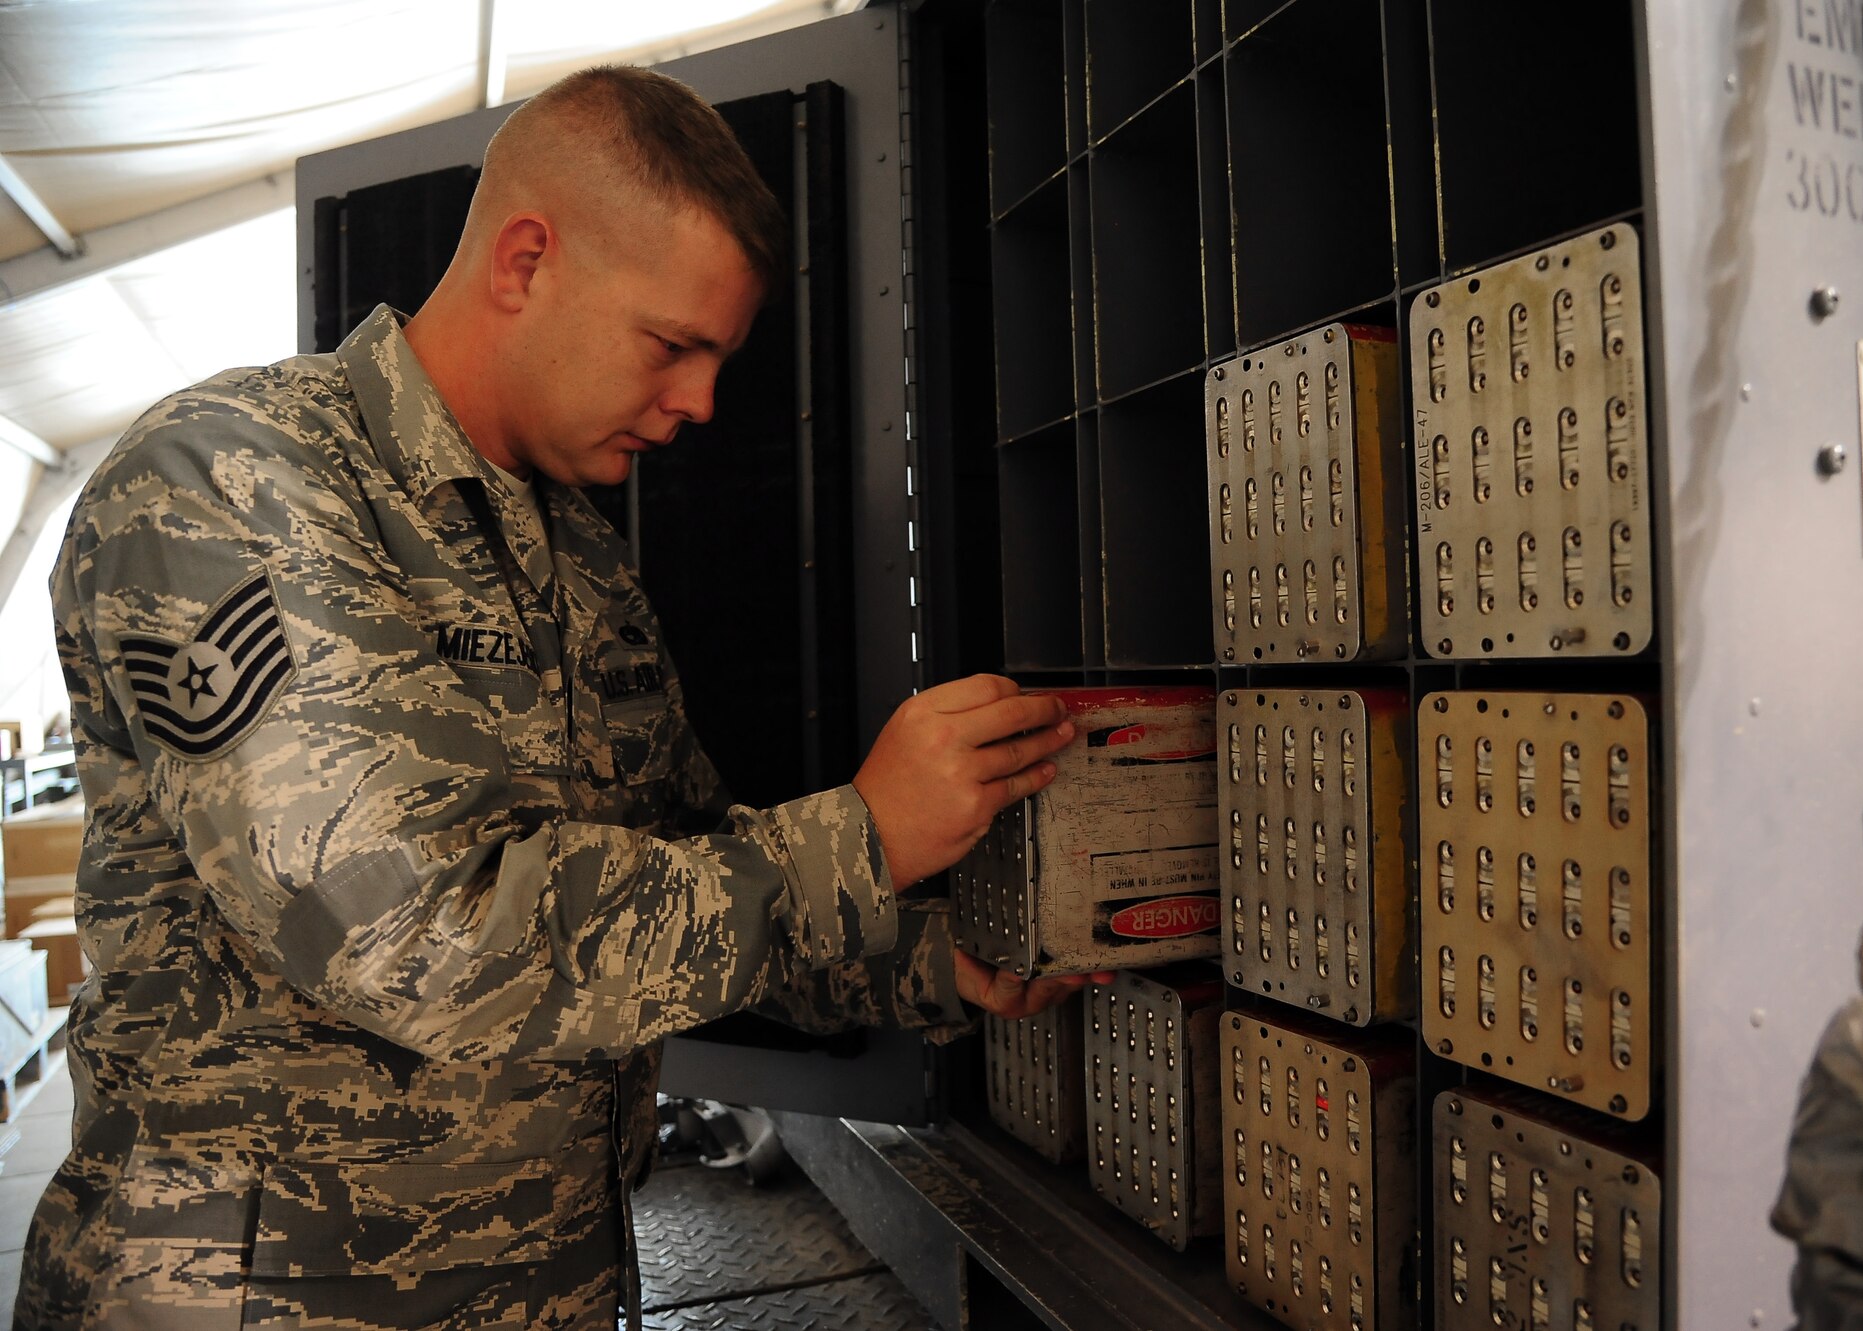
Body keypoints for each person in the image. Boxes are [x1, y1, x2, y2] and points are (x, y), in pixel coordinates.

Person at [15, 65, 1098, 1329]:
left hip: (549, 1283)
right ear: (526, 259)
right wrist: (859, 834)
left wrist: (929, 963)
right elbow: (412, 936)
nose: (697, 403)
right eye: (672, 345)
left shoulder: (577, 558)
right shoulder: (232, 482)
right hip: (271, 1298)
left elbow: (679, 884)